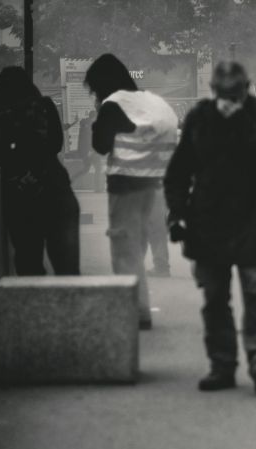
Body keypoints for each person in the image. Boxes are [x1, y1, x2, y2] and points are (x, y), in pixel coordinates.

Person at [164, 61, 256, 397]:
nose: (228, 99)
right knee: (215, 297)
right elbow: (178, 172)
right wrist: (176, 215)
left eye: (236, 93)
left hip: (253, 220)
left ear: (248, 88)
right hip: (208, 222)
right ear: (213, 90)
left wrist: (242, 121)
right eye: (222, 93)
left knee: (254, 291)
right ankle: (221, 364)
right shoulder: (200, 117)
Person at [84, 54, 178, 329]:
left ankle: (135, 313)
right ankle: (140, 308)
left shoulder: (113, 104)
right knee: (137, 248)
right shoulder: (152, 100)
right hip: (154, 183)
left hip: (125, 184)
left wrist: (96, 121)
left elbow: (101, 146)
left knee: (125, 250)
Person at [0, 66, 80, 276]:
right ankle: (70, 305)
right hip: (54, 189)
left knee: (28, 262)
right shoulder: (43, 106)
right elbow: (56, 144)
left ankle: (34, 307)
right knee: (66, 266)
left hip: (18, 195)